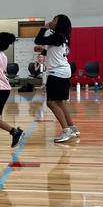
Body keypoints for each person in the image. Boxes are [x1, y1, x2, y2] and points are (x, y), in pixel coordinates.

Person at [34, 15, 79, 143]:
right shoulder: (62, 37)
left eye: (54, 20)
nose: (51, 22)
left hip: (57, 72)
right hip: (63, 71)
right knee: (60, 102)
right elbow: (54, 51)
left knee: (51, 102)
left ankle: (66, 130)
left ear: (60, 24)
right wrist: (42, 51)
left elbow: (38, 40)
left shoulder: (57, 36)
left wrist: (44, 28)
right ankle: (72, 127)